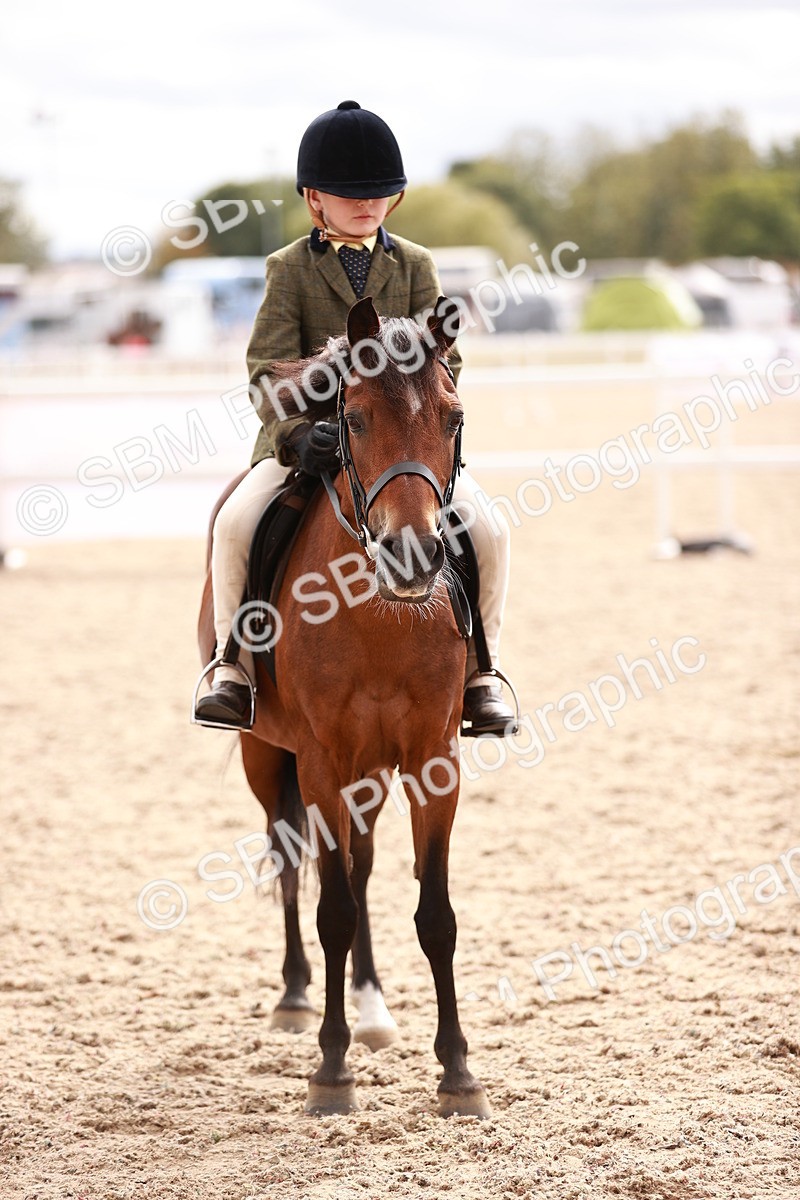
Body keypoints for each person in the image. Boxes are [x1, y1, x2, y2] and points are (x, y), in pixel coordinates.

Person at [194, 101, 516, 733]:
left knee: (493, 531)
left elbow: (448, 364)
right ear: (315, 198)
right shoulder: (288, 268)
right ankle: (230, 665)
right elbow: (266, 366)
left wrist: (422, 418)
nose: (366, 205)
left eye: (378, 194)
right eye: (350, 194)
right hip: (306, 443)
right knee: (235, 521)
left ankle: (484, 670)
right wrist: (295, 434)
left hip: (402, 448)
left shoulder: (417, 265)